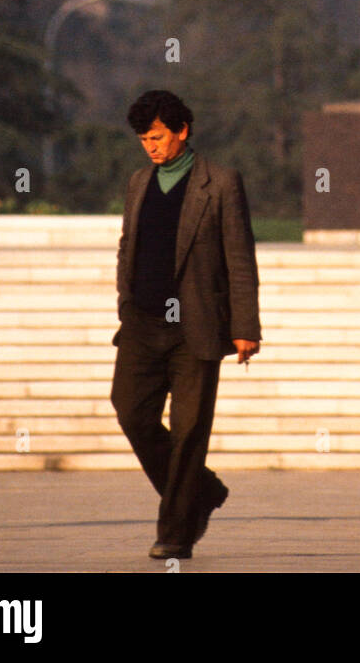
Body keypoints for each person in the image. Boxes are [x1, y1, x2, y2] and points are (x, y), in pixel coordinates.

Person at [110, 89, 261, 559]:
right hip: (142, 322)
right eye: (143, 139)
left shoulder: (220, 183)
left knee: (190, 428)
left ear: (182, 130)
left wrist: (246, 327)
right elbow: (127, 244)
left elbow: (240, 258)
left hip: (195, 325)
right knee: (130, 410)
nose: (151, 147)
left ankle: (175, 532)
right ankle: (203, 489)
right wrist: (125, 300)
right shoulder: (139, 182)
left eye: (157, 136)